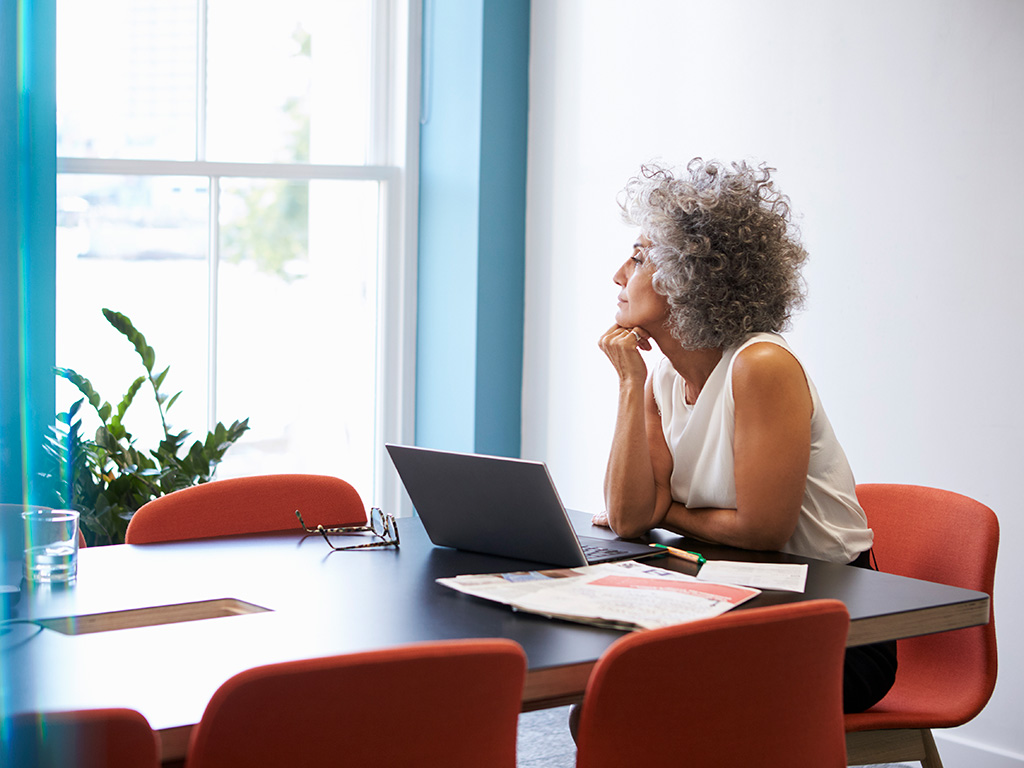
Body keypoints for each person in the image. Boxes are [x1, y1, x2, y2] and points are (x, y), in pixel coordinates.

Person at [592, 158, 896, 714]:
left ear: (689, 276)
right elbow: (629, 517)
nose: (618, 275)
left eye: (638, 257)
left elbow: (761, 530)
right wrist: (630, 383)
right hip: (737, 595)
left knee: (628, 703)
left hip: (834, 623)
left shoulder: (761, 366)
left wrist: (667, 510)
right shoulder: (661, 377)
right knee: (606, 701)